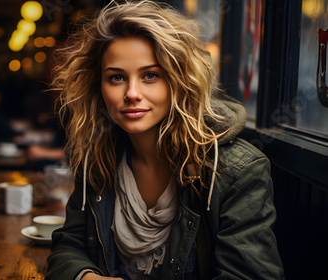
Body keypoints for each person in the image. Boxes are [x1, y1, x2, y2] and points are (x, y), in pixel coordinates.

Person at [46, 1, 284, 280]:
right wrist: (87, 277)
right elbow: (68, 245)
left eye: (150, 75)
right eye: (116, 78)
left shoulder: (237, 171)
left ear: (179, 81)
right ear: (99, 87)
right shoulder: (98, 157)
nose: (132, 93)